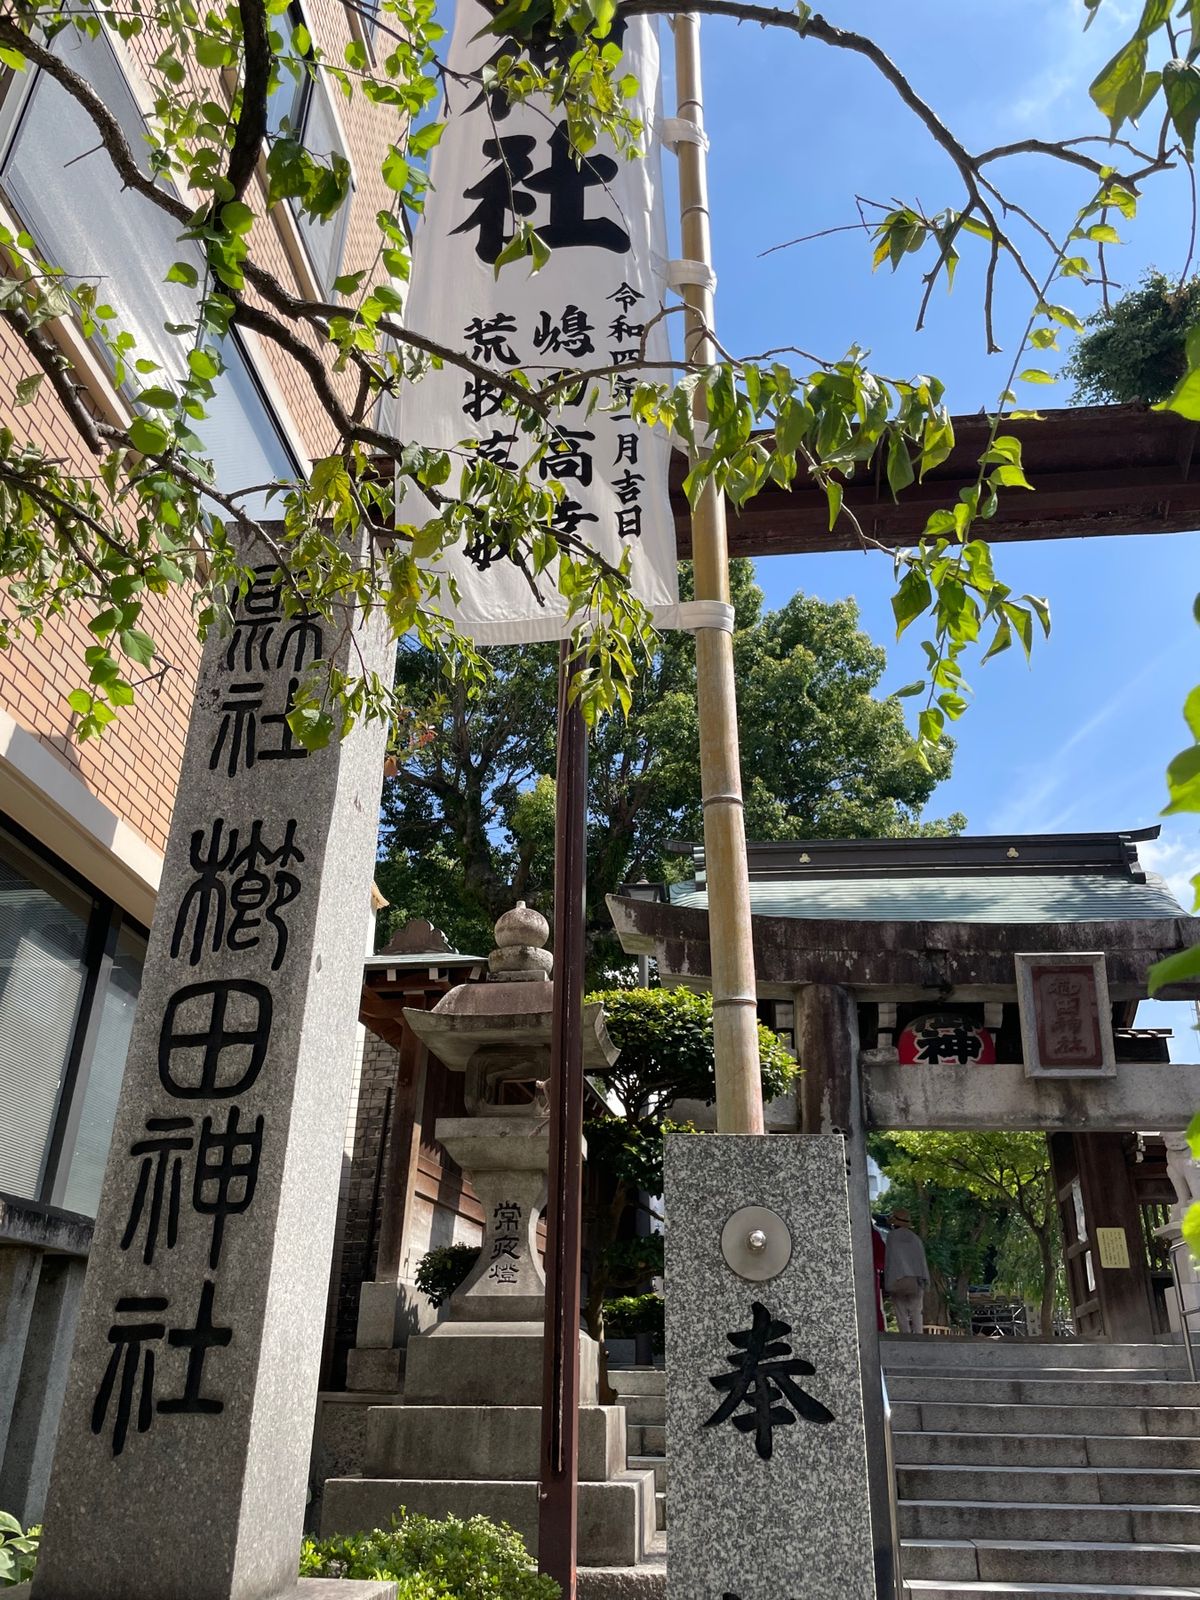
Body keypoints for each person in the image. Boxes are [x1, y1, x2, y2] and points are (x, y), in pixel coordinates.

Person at [884, 1208, 929, 1335]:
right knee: (916, 1311)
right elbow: (922, 1261)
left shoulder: (892, 1237)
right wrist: (925, 1281)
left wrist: (887, 1281)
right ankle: (918, 1336)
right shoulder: (916, 1239)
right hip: (916, 1280)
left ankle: (904, 1336)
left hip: (897, 1278)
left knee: (900, 1312)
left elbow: (889, 1260)